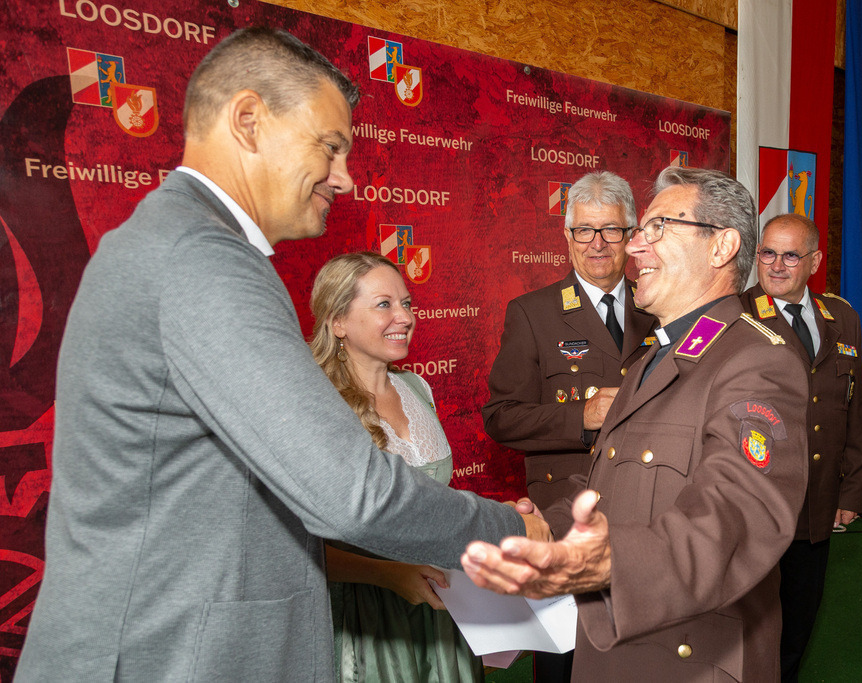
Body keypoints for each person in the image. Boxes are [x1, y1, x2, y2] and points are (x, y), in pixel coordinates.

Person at [15, 28, 543, 682]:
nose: (345, 177)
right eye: (331, 146)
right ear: (248, 121)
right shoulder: (202, 258)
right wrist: (506, 533)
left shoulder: (177, 241)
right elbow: (350, 493)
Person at [463, 167, 810, 680]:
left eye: (657, 230)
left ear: (721, 247)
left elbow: (738, 519)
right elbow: (613, 483)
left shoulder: (756, 360)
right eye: (640, 232)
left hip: (685, 657)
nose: (633, 249)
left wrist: (606, 564)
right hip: (618, 645)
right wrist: (542, 529)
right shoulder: (657, 357)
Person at [482, 170, 655, 682]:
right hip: (565, 520)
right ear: (566, 236)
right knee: (565, 663)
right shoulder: (533, 314)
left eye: (612, 230)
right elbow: (501, 416)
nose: (598, 243)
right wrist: (581, 418)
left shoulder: (659, 309)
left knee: (635, 654)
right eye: (585, 230)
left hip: (642, 511)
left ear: (632, 234)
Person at [309, 252, 482, 683]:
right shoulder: (315, 404)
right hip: (367, 621)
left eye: (407, 303)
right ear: (338, 322)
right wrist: (389, 574)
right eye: (384, 304)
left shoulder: (416, 387)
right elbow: (295, 546)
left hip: (441, 606)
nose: (404, 316)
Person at [739, 213, 862, 681]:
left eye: (790, 255)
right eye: (767, 253)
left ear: (814, 260)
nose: (775, 265)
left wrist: (850, 491)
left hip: (815, 506)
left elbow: (852, 407)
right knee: (747, 630)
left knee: (798, 625)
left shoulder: (842, 316)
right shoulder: (733, 314)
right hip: (753, 504)